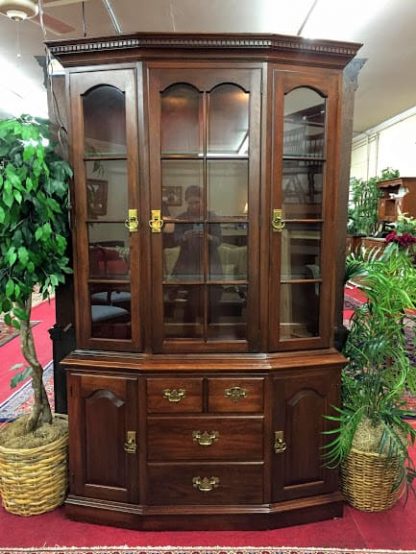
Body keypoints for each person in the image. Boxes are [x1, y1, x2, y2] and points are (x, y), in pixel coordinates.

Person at [170, 185, 222, 327]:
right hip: (187, 264)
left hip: (210, 264)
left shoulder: (212, 217)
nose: (193, 206)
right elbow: (176, 239)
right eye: (190, 202)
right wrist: (185, 237)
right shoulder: (181, 218)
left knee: (210, 301)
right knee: (190, 303)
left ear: (203, 201)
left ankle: (210, 333)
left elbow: (219, 240)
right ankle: (188, 332)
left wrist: (208, 237)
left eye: (196, 202)